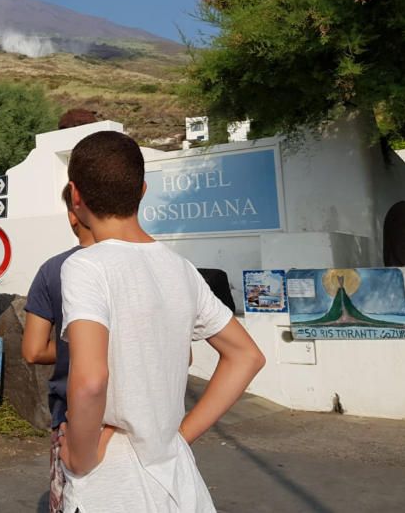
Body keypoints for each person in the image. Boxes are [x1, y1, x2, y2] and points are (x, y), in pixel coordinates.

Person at [58, 131, 265, 512]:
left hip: (113, 484)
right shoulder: (180, 269)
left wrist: (80, 458)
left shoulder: (85, 267)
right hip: (178, 480)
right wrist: (182, 435)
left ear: (75, 194)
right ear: (142, 191)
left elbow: (90, 380)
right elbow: (246, 355)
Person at [22, 183, 95, 513]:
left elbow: (33, 350)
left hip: (71, 419)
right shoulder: (156, 264)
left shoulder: (53, 271)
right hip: (146, 426)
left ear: (72, 215)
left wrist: (73, 349)